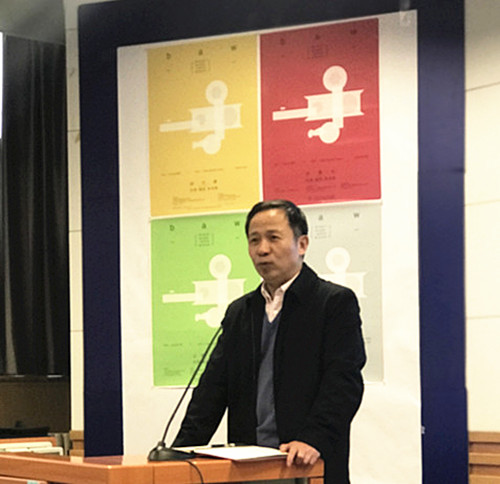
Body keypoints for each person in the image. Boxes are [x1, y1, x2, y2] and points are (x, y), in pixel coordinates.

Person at [173, 199, 366, 484]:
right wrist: (179, 453)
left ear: (302, 244)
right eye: (254, 240)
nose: (262, 249)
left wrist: (313, 438)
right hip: (248, 467)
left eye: (273, 238)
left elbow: (344, 381)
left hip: (305, 464)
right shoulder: (241, 312)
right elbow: (212, 390)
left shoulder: (333, 303)